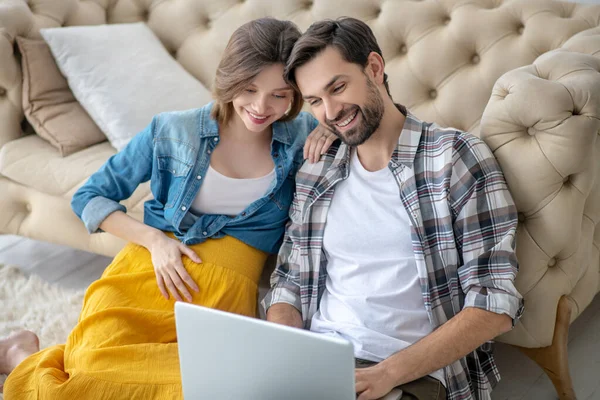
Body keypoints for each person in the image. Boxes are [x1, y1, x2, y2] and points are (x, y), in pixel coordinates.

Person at [0, 17, 335, 399]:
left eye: (279, 94)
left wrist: (330, 124)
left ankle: (23, 356)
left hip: (218, 304)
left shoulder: (301, 136)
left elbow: (371, 114)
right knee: (88, 374)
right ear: (229, 77)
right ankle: (22, 352)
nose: (261, 107)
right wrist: (155, 242)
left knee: (198, 390)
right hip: (143, 276)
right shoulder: (172, 130)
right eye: (249, 87)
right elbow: (89, 197)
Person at [263, 17, 524, 400]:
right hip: (319, 364)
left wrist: (387, 374)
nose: (331, 112)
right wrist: (285, 349)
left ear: (374, 67)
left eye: (338, 87)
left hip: (410, 376)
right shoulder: (317, 171)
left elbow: (494, 305)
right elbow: (289, 281)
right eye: (316, 101)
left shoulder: (453, 158)